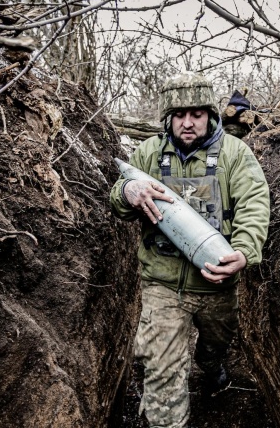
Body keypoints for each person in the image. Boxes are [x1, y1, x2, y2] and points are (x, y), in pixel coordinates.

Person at [110, 71, 270, 428]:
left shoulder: (234, 153)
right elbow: (118, 198)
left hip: (217, 284)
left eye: (196, 114)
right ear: (168, 117)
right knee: (162, 371)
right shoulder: (149, 152)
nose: (187, 123)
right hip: (162, 285)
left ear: (210, 114)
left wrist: (243, 252)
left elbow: (254, 205)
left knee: (216, 343)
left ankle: (211, 365)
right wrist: (128, 192)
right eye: (179, 115)